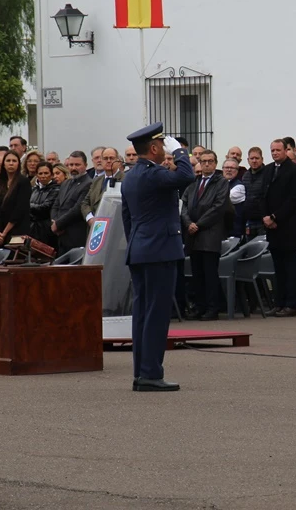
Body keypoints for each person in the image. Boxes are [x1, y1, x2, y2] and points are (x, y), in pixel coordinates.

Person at [121, 123, 194, 392]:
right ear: (153, 148)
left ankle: (142, 372)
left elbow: (127, 218)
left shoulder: (131, 176)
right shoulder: (153, 175)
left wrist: (137, 244)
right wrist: (180, 152)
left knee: (142, 313)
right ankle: (151, 373)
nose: (165, 148)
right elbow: (187, 176)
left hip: (140, 250)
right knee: (156, 314)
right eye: (162, 145)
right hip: (159, 250)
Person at [180, 149, 231, 321]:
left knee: (210, 274)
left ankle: (212, 308)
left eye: (210, 161)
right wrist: (188, 223)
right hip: (193, 236)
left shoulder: (221, 183)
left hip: (209, 234)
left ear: (216, 163)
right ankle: (199, 307)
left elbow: (218, 207)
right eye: (203, 161)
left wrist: (198, 224)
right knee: (197, 274)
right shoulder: (194, 184)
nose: (207, 164)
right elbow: (184, 206)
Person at [263, 139, 296, 317]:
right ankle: (279, 302)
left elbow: (294, 199)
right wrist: (266, 217)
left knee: (290, 267)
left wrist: (275, 217)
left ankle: (291, 303)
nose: (275, 153)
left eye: (278, 150)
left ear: (285, 151)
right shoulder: (268, 169)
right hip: (272, 227)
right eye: (272, 150)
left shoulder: (295, 170)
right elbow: (264, 195)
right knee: (278, 267)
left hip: (288, 226)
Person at [0, 150, 32, 248]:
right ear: (3, 164)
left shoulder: (23, 182)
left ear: (19, 164)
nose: (11, 163)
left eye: (14, 161)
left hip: (16, 230)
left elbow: (20, 209)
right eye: (8, 161)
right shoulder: (1, 182)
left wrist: (4, 234)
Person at [29, 161, 59, 249]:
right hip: (32, 229)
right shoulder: (34, 190)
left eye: (46, 173)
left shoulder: (56, 189)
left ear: (51, 175)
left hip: (46, 229)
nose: (43, 176)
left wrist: (28, 205)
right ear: (36, 175)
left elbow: (45, 207)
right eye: (40, 173)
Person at [242, 147, 269, 238]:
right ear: (248, 160)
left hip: (263, 221)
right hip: (249, 221)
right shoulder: (245, 176)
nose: (254, 161)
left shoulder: (268, 174)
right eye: (252, 158)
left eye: (257, 158)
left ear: (262, 159)